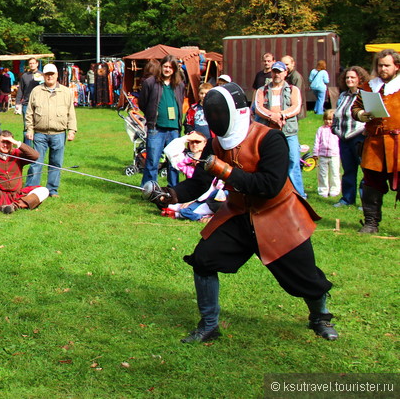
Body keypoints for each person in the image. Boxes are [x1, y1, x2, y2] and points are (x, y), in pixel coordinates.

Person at [145, 82, 338, 344]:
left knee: (305, 278)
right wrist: (172, 195)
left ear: (237, 111)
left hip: (278, 214)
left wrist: (225, 171)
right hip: (238, 212)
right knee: (204, 259)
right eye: (212, 113)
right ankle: (210, 324)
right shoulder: (216, 144)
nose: (215, 119)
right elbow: (201, 182)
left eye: (219, 113)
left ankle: (320, 317)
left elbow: (269, 186)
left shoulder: (271, 139)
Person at [352, 49, 400, 234]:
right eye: (380, 65)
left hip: (398, 143)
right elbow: (355, 108)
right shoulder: (368, 87)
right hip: (374, 144)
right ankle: (371, 223)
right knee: (371, 184)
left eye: (387, 65)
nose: (382, 69)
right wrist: (362, 115)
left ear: (396, 66)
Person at [253, 60, 306, 197]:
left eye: (280, 71)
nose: (277, 74)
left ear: (285, 73)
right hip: (267, 132)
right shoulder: (261, 90)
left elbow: (296, 107)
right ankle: (268, 192)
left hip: (288, 131)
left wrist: (281, 115)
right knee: (265, 161)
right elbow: (258, 108)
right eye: (274, 71)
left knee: (293, 160)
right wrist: (272, 116)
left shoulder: (293, 90)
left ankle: (299, 194)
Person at [25, 63, 77, 198]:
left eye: (52, 74)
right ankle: (31, 189)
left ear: (57, 75)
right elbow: (30, 112)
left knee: (56, 163)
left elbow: (71, 112)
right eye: (47, 74)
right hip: (39, 133)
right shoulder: (36, 91)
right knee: (36, 163)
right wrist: (29, 129)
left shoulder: (66, 92)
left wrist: (72, 130)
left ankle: (52, 190)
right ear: (43, 75)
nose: (49, 77)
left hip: (59, 133)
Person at [139, 55, 184, 187]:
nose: (167, 69)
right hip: (156, 128)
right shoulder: (150, 83)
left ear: (174, 69)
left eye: (170, 67)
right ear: (161, 66)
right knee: (152, 161)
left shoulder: (179, 84)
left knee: (174, 161)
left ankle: (174, 189)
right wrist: (152, 115)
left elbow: (180, 102)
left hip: (174, 129)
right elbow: (143, 103)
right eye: (165, 66)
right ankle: (149, 189)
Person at [331, 66, 369, 208]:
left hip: (359, 138)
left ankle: (366, 202)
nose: (349, 80)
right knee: (348, 170)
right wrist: (335, 129)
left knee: (365, 170)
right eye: (347, 77)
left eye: (353, 77)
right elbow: (337, 114)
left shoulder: (365, 95)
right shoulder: (343, 96)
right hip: (344, 139)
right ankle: (347, 199)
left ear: (360, 78)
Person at [313, 109, 340, 198]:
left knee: (335, 173)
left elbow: (340, 142)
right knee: (322, 173)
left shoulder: (337, 130)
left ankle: (335, 190)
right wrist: (315, 153)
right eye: (326, 119)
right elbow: (317, 142)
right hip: (323, 155)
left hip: (334, 155)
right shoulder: (321, 129)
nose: (328, 121)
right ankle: (323, 189)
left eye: (330, 119)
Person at [15, 57, 41, 137]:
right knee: (27, 127)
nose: (32, 65)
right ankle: (26, 148)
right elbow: (21, 90)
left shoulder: (41, 75)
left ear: (37, 64)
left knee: (38, 126)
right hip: (26, 103)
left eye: (33, 63)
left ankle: (37, 147)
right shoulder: (24, 76)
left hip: (39, 104)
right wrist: (17, 102)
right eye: (30, 63)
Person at [282, 55, 307, 120]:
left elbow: (297, 95)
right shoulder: (285, 75)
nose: (285, 66)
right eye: (283, 64)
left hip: (294, 109)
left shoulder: (296, 77)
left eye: (287, 64)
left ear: (293, 64)